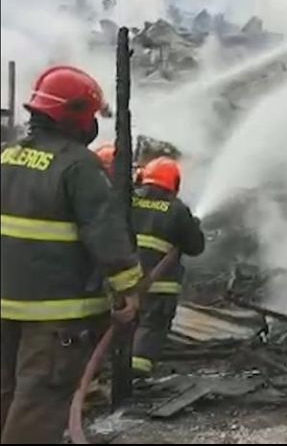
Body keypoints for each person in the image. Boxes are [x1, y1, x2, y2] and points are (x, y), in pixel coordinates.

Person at [1, 66, 142, 444]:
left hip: (5, 305)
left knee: (7, 394)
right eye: (91, 115)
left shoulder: (7, 157)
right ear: (75, 114)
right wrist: (129, 290)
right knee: (40, 401)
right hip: (55, 314)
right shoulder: (78, 165)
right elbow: (105, 232)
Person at [131, 157, 205, 376]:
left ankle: (115, 369)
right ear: (174, 182)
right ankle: (137, 373)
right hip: (159, 286)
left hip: (123, 281)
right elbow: (195, 247)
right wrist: (193, 227)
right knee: (151, 327)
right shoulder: (177, 210)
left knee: (124, 325)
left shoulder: (127, 201)